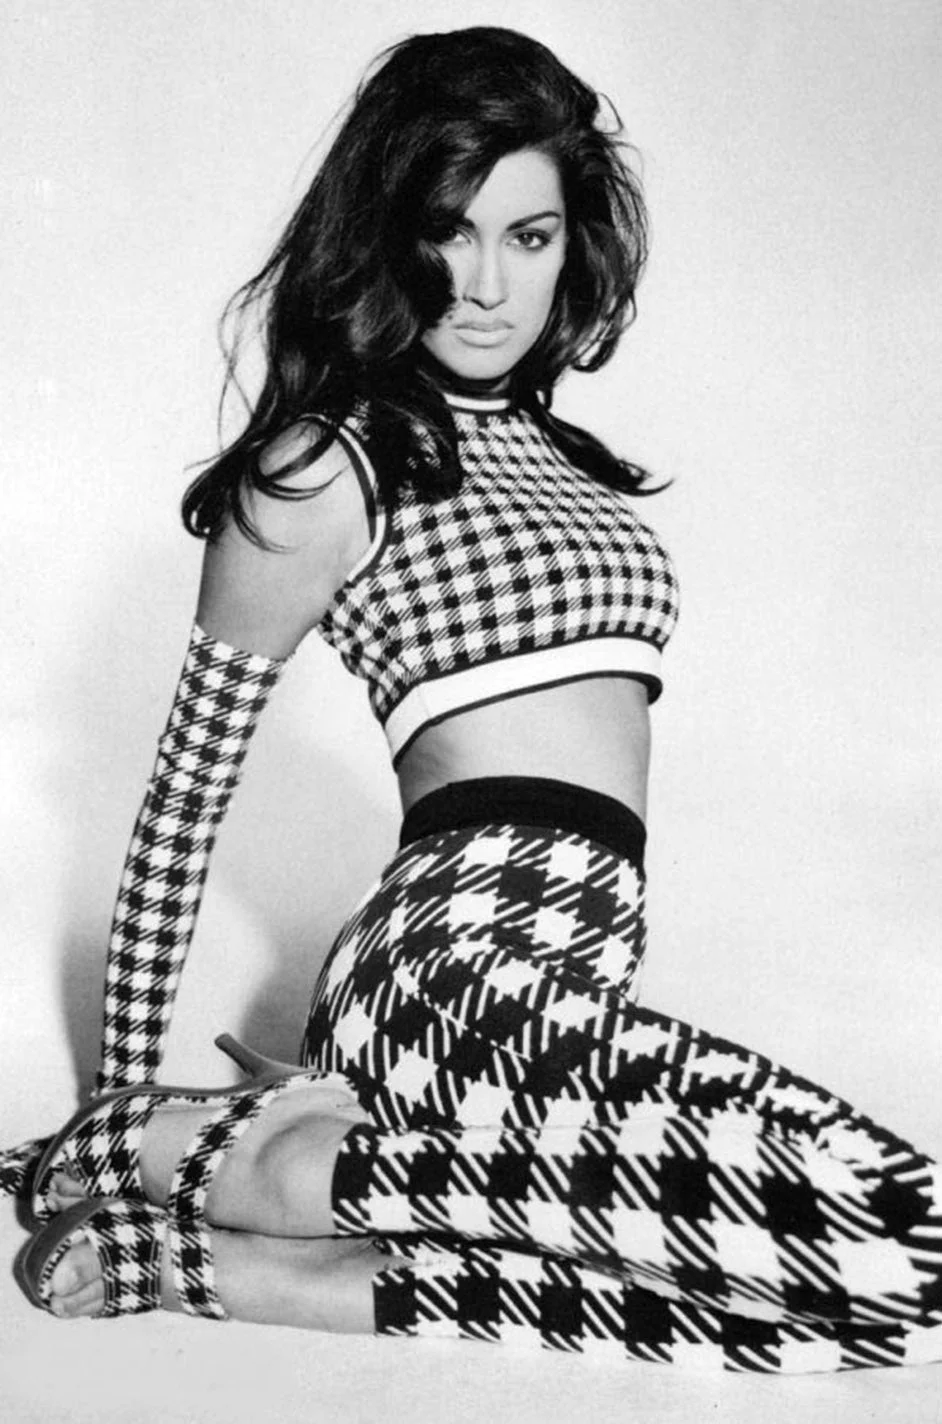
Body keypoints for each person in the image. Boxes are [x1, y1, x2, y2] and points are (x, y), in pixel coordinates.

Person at [10, 26, 942, 1374]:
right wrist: (118, 1095)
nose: (489, 283)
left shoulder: (573, 467)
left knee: (868, 1289)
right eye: (449, 231)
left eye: (530, 235)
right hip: (443, 974)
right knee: (905, 1247)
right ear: (388, 237)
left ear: (575, 248)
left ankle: (248, 1235)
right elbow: (181, 809)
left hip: (577, 980)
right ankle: (164, 1159)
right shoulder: (325, 469)